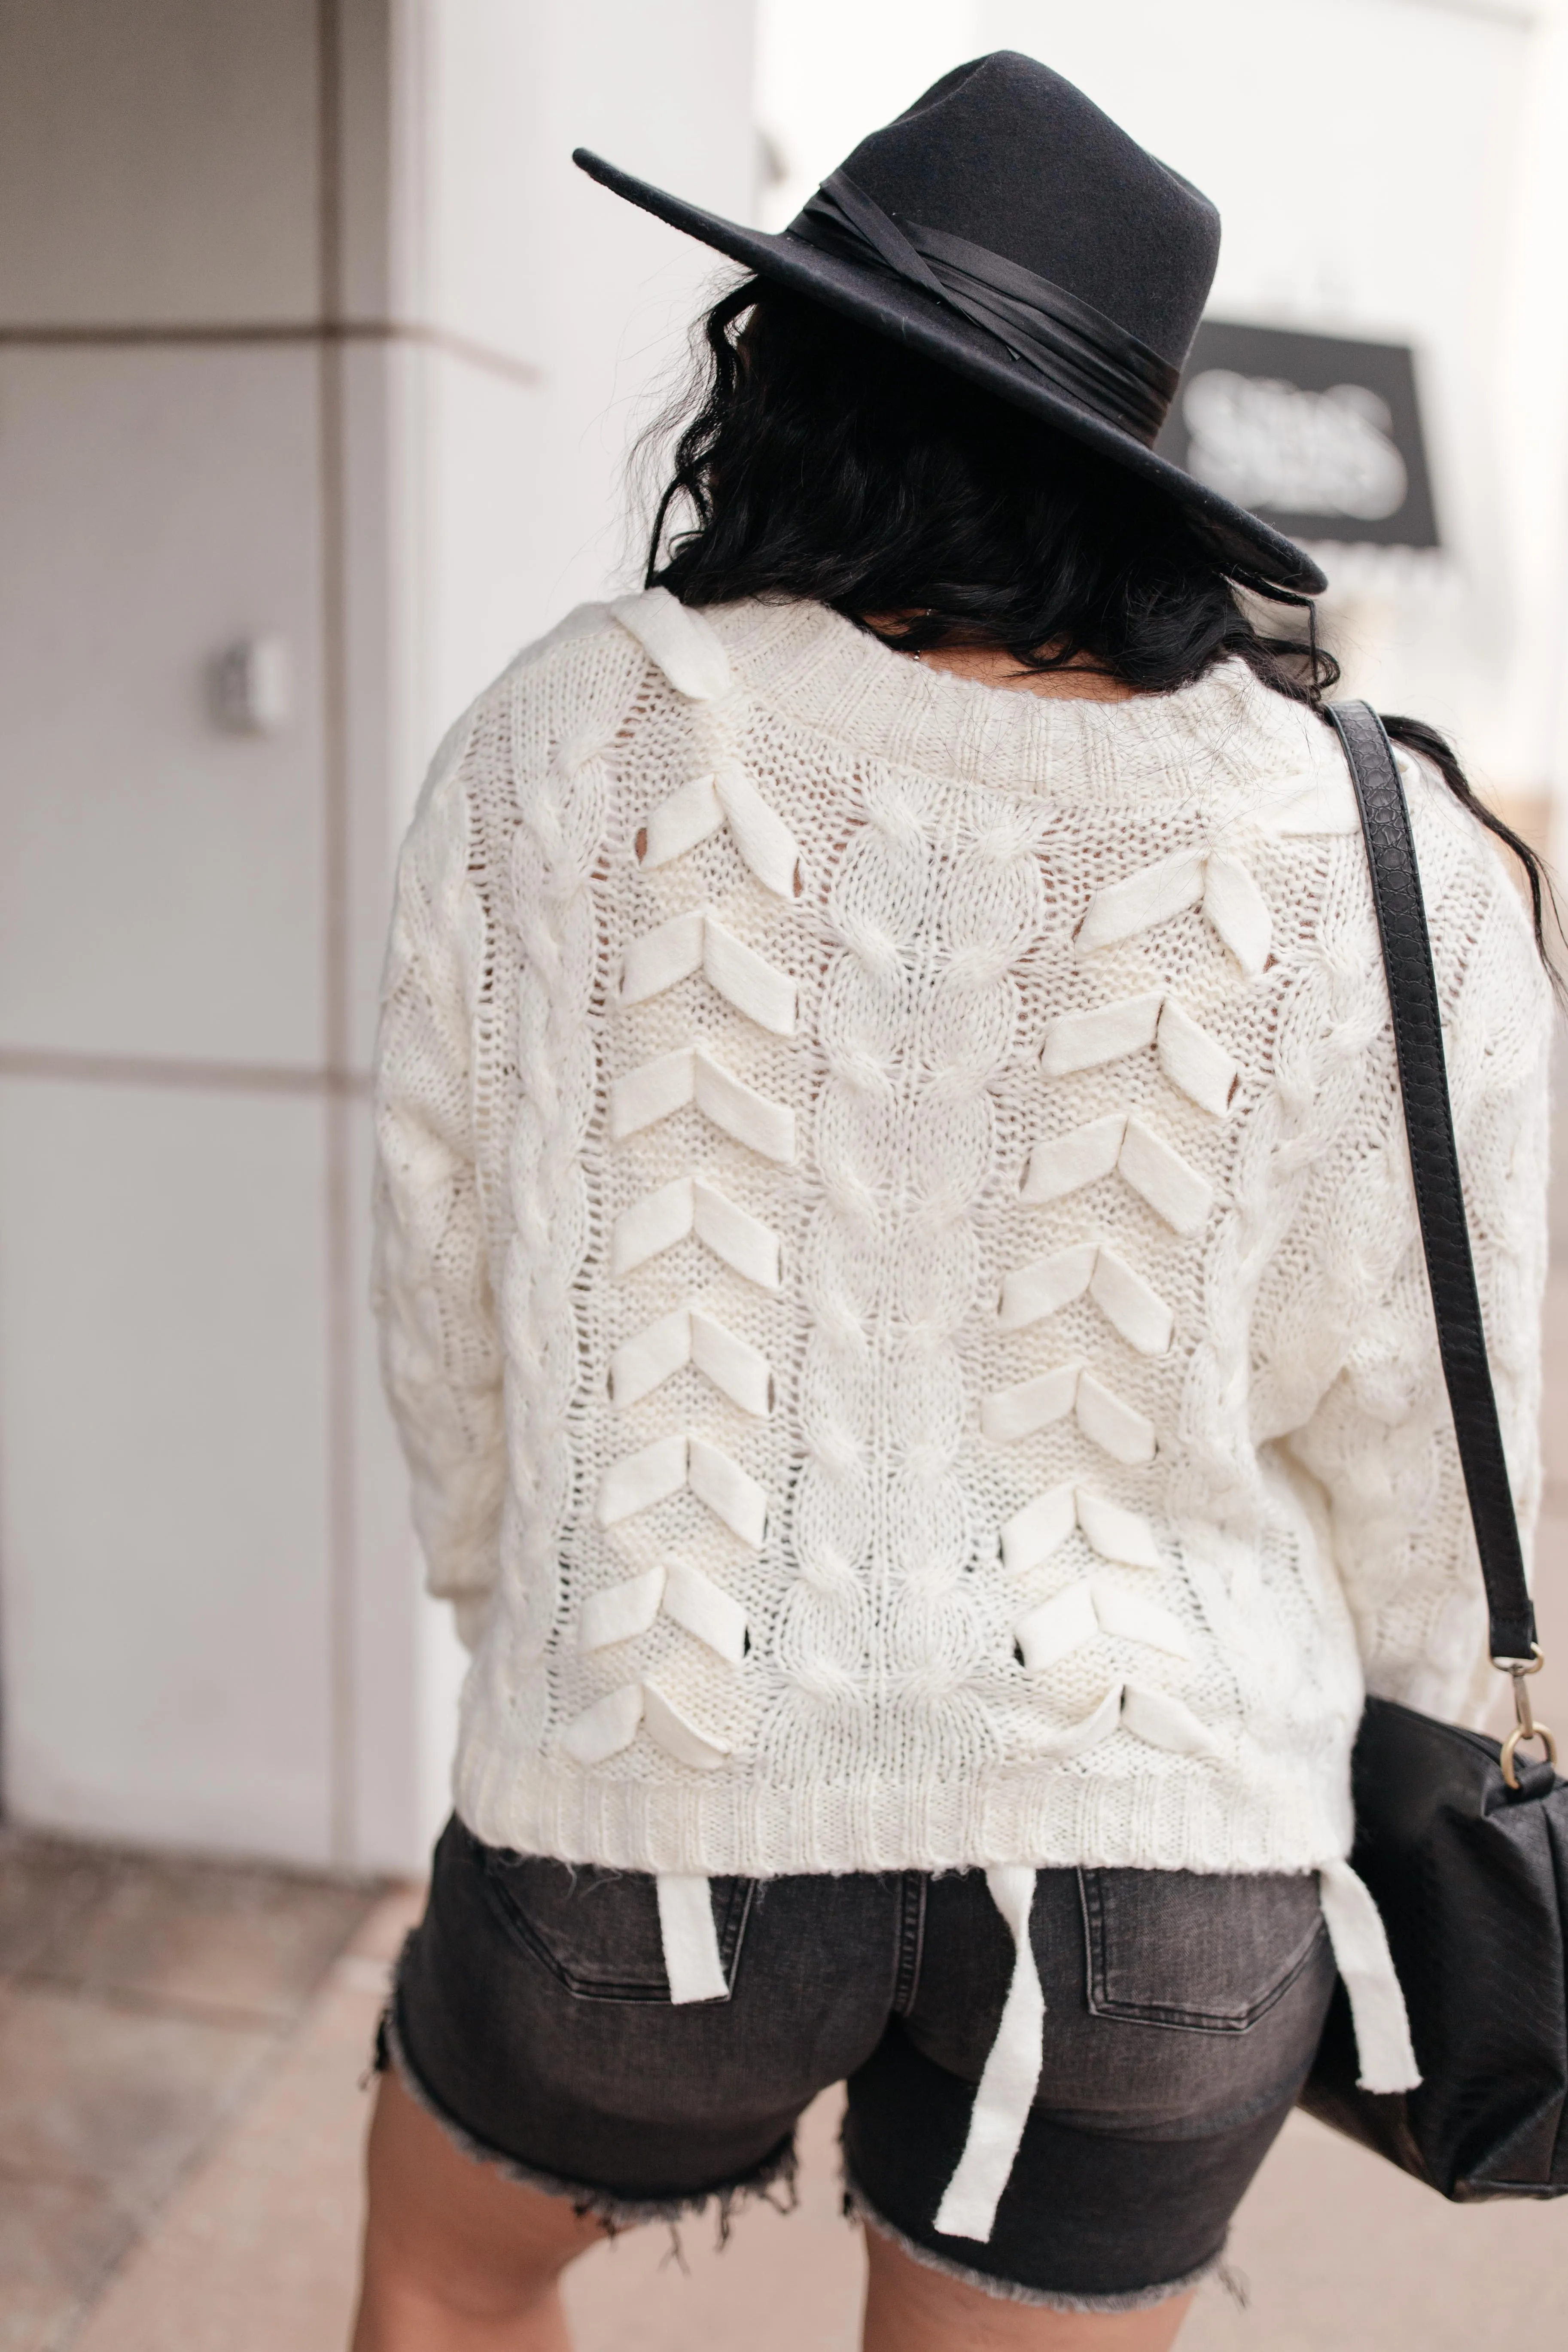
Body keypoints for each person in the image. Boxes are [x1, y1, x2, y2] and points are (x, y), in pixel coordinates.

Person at [354, 52, 1554, 2352]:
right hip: (1162, 1866)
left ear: (778, 377)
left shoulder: (571, 743)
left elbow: (450, 1281)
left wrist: (530, 1598)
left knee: (441, 2281)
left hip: (648, 1790)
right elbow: (1438, 1429)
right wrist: (1410, 1714)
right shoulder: (1371, 855)